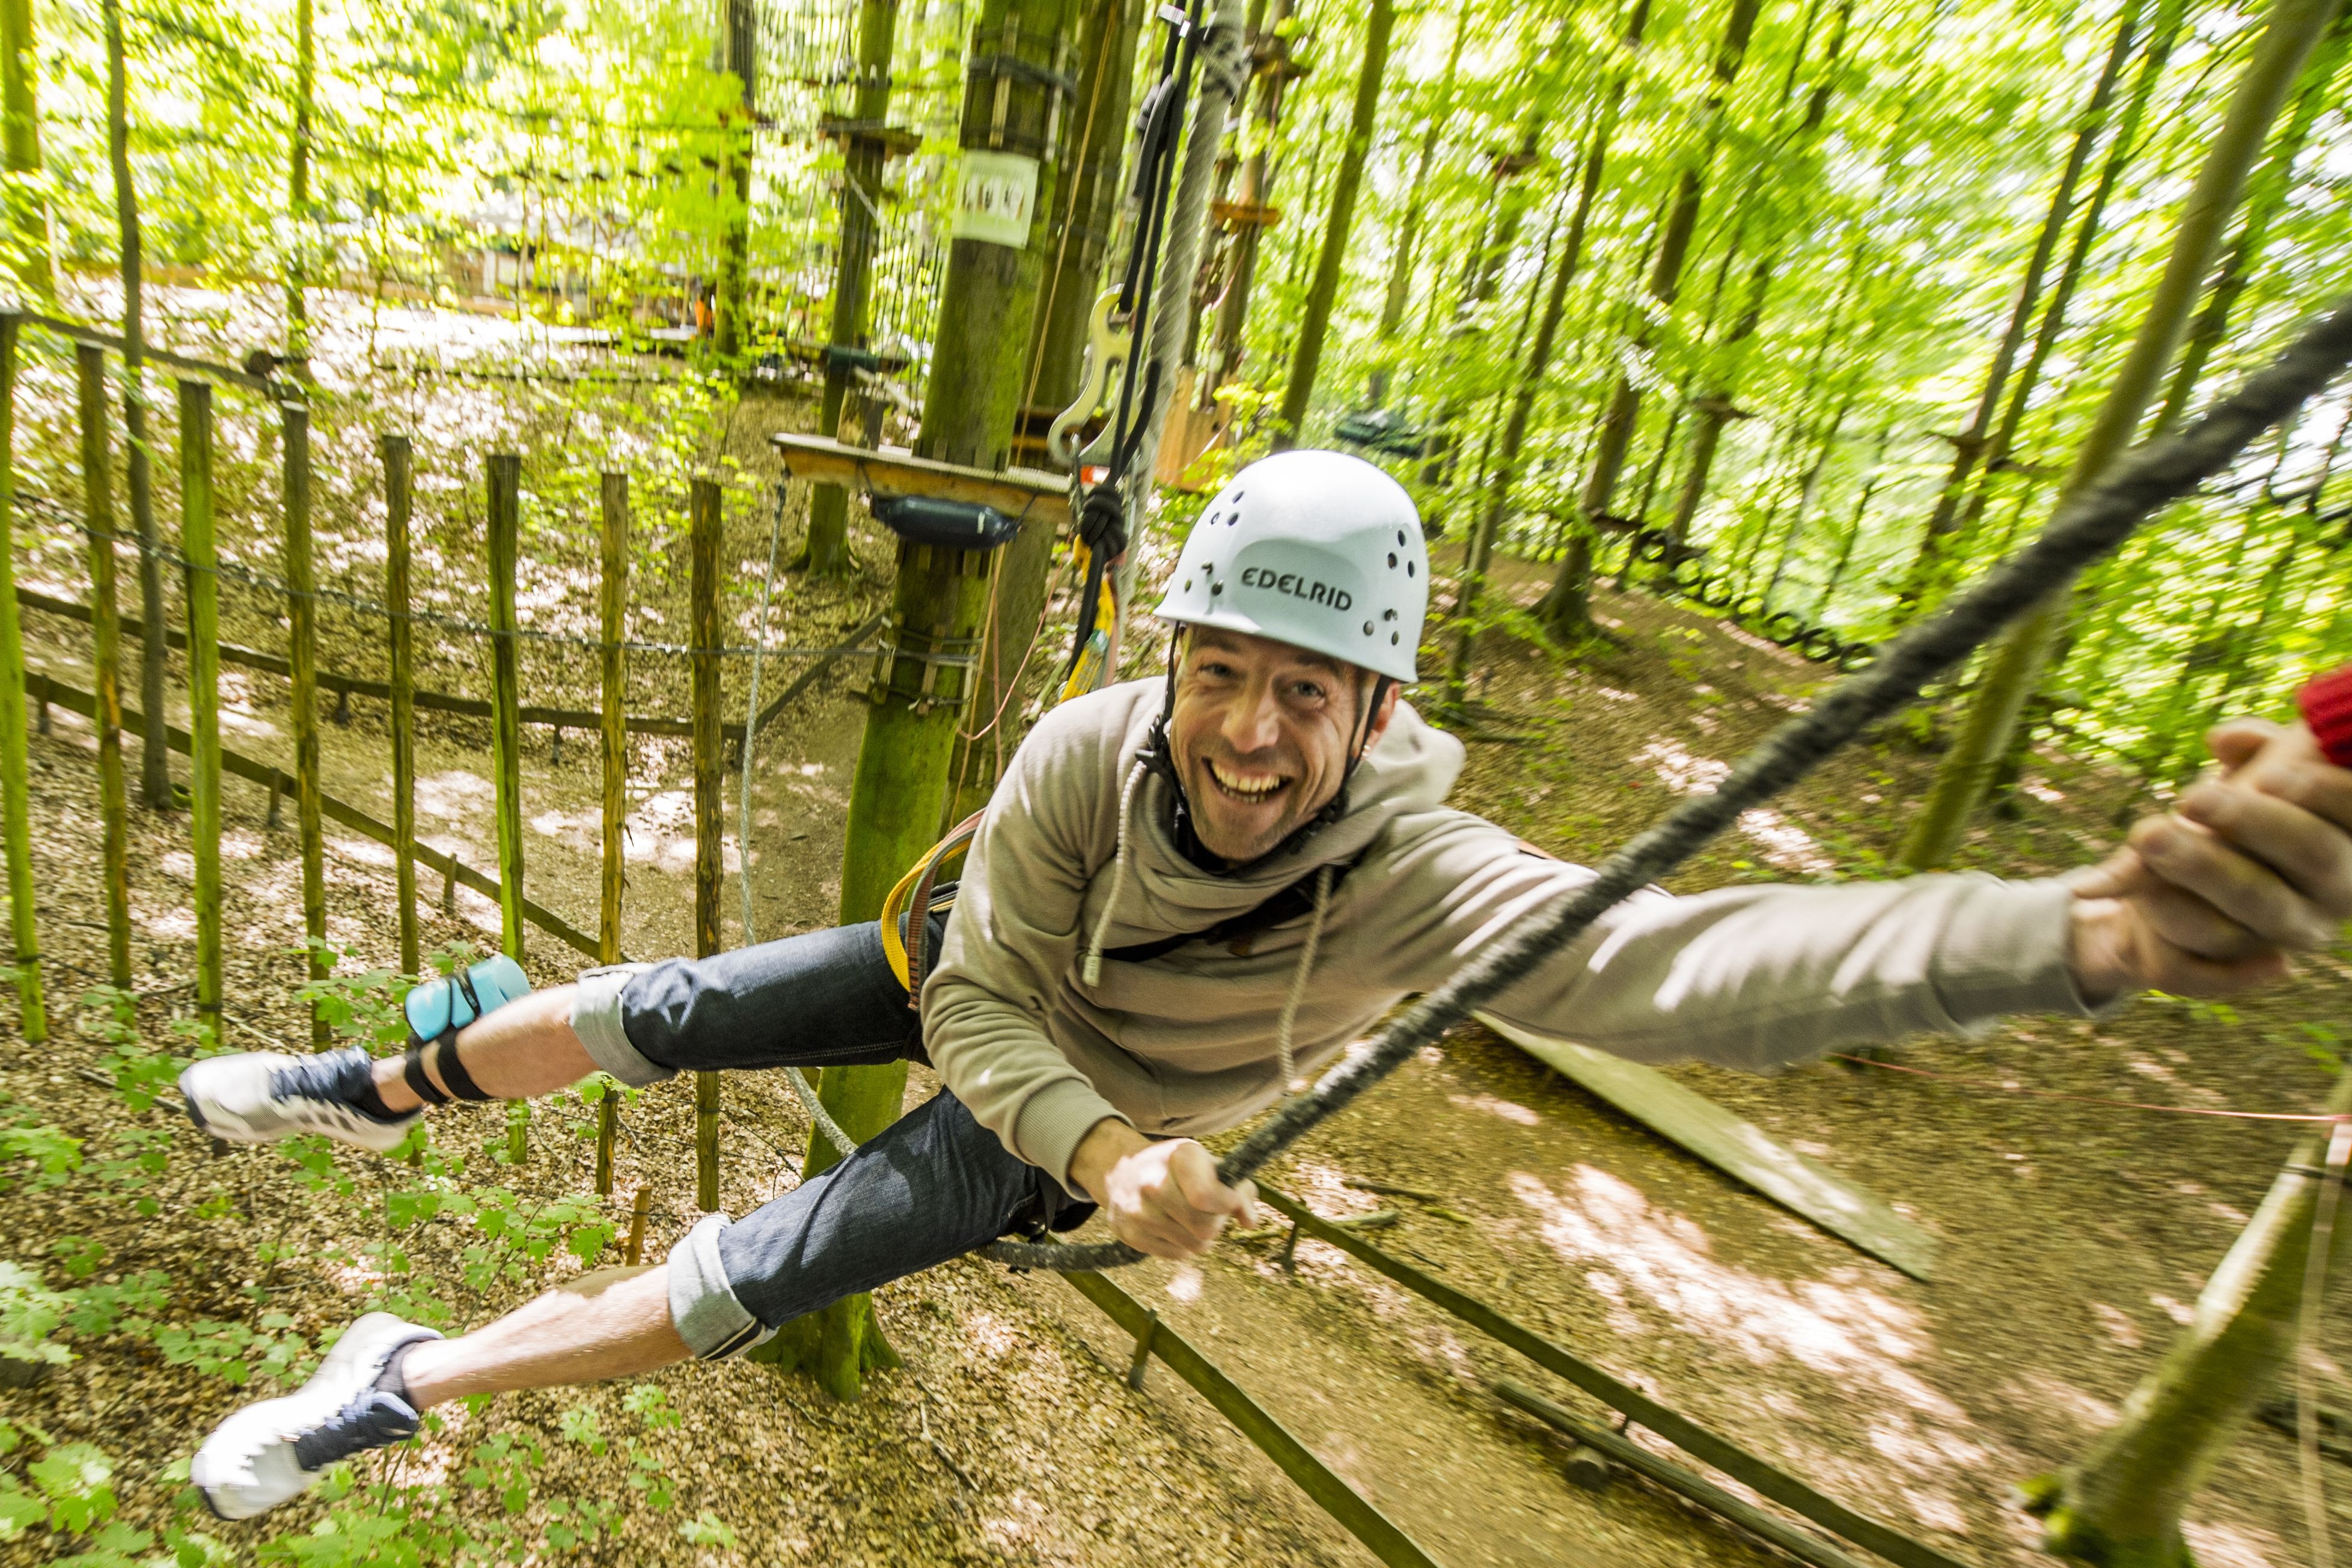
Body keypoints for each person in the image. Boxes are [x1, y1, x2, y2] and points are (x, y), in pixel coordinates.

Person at [177, 451, 2352, 1521]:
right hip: (1002, 1001)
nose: (1242, 729)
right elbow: (980, 1010)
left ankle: (401, 1375)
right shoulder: (1074, 759)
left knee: (744, 1280)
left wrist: (2071, 936)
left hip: (1070, 1129)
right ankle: (380, 1086)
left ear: (1377, 699)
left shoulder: (1413, 869)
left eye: (1299, 690)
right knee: (652, 1002)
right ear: (1178, 660)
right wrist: (1114, 1139)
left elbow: (1682, 962)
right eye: (1218, 669)